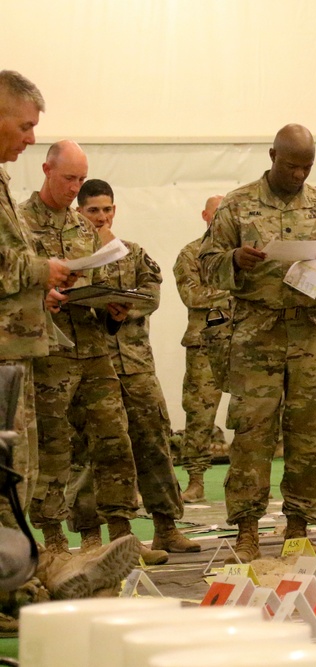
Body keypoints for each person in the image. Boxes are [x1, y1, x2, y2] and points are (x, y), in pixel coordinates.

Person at [200, 124, 316, 563]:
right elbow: (206, 263)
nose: (299, 175)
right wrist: (234, 259)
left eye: (307, 167)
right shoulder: (238, 205)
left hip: (313, 333)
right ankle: (247, 531)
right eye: (291, 166)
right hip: (257, 335)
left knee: (308, 434)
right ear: (272, 156)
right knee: (252, 434)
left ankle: (299, 529)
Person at [20, 142, 148, 554]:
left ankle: (121, 537)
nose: (75, 188)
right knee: (55, 446)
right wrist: (40, 296)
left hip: (92, 349)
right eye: (68, 179)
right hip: (49, 354)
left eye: (81, 179)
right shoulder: (19, 223)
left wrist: (113, 308)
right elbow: (13, 285)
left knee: (114, 439)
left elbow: (98, 279)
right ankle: (55, 541)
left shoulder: (84, 229)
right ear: (46, 170)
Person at [68, 179, 199, 557]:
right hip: (92, 366)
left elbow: (151, 295)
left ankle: (166, 527)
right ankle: (95, 537)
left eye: (107, 209)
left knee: (154, 444)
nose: (101, 217)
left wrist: (124, 307)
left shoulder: (133, 252)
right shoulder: (71, 258)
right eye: (93, 210)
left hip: (136, 365)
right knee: (94, 452)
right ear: (80, 212)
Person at [0, 71, 72, 527]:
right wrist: (40, 270)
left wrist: (38, 291)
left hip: (14, 351)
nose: (31, 138)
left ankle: (15, 559)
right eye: (25, 126)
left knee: (18, 474)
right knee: (8, 475)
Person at [173, 194, 230, 503]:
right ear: (205, 216)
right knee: (199, 413)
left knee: (253, 413)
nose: (222, 219)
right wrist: (234, 292)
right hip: (204, 344)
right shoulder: (190, 254)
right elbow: (193, 296)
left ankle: (245, 480)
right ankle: (195, 479)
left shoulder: (244, 255)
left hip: (244, 341)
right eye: (216, 213)